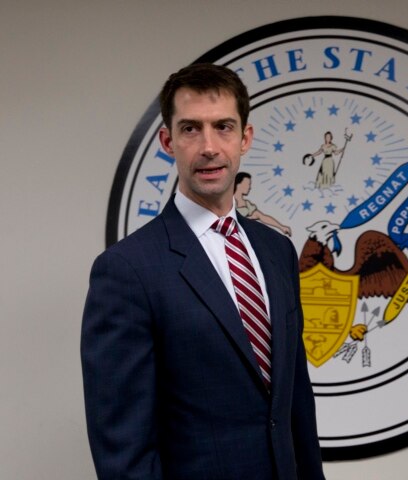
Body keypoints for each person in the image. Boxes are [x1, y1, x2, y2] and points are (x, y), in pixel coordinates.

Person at [81, 63, 325, 480]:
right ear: (167, 141)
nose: (209, 146)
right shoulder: (126, 270)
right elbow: (123, 447)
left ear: (245, 138)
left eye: (224, 127)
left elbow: (296, 402)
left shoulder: (277, 251)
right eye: (191, 129)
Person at [234, 172, 292, 236]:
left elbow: (262, 217)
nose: (249, 187)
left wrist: (281, 227)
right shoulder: (228, 201)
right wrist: (248, 219)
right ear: (238, 184)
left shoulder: (247, 204)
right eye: (247, 184)